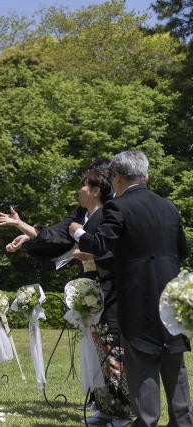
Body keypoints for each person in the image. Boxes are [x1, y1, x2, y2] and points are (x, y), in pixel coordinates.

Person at [0, 167, 134, 425]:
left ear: (94, 190)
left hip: (109, 288)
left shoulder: (109, 214)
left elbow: (116, 250)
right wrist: (21, 226)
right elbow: (53, 236)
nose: (79, 189)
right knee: (94, 348)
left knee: (111, 348)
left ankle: (123, 412)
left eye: (83, 185)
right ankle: (103, 407)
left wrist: (91, 255)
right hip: (88, 287)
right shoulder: (81, 214)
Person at [70, 150, 193, 426]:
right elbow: (182, 251)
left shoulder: (118, 207)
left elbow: (99, 244)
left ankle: (148, 421)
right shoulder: (169, 206)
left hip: (138, 299)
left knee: (144, 363)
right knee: (174, 366)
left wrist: (77, 231)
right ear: (146, 175)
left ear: (117, 177)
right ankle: (184, 422)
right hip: (173, 298)